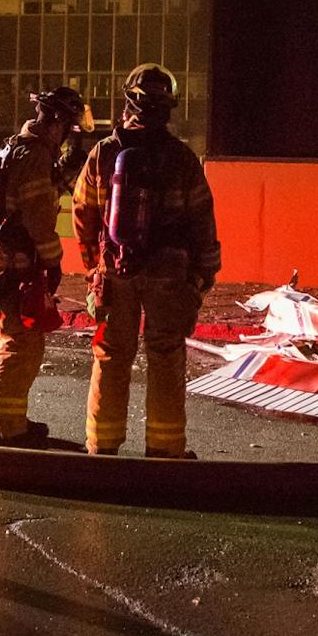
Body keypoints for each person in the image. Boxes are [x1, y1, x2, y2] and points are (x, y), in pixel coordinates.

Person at [75, 64, 221, 459]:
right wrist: (204, 273)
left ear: (129, 103)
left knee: (111, 354)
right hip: (168, 276)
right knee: (166, 354)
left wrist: (95, 269)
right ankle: (165, 449)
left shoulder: (104, 153)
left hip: (115, 271)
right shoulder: (182, 159)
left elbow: (83, 214)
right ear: (168, 108)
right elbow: (202, 220)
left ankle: (102, 446)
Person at [0, 85, 88, 447]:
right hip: (17, 268)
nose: (67, 136)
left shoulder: (17, 147)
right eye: (67, 129)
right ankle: (9, 432)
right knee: (20, 347)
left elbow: (44, 191)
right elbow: (39, 218)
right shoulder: (34, 155)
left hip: (0, 264)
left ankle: (4, 422)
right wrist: (54, 262)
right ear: (55, 124)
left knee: (4, 344)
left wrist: (70, 163)